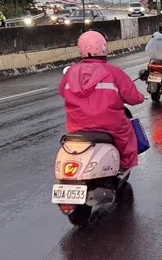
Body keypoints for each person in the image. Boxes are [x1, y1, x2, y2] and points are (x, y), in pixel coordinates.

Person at [58, 30, 145, 175]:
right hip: (111, 126)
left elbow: (62, 92)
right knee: (128, 137)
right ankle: (123, 167)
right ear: (103, 48)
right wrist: (140, 97)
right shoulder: (113, 72)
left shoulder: (71, 72)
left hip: (77, 126)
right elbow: (133, 98)